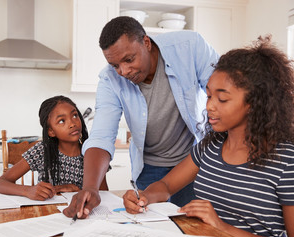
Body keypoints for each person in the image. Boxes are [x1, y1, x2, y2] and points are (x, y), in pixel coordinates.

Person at [123, 36, 294, 237]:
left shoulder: (286, 161)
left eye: (222, 99)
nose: (210, 106)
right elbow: (167, 185)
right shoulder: (210, 147)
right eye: (209, 95)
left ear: (255, 102)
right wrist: (144, 196)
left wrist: (221, 226)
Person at [63, 16, 219, 219]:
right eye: (115, 65)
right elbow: (101, 136)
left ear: (146, 42)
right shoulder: (110, 79)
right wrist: (91, 188)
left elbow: (223, 92)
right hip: (149, 168)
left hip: (192, 162)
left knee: (196, 226)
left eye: (129, 60)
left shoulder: (189, 47)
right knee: (152, 227)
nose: (124, 71)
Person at [0, 95, 108, 200]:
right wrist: (28, 190)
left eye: (75, 115)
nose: (73, 123)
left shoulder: (93, 152)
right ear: (51, 131)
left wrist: (78, 190)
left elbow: (104, 194)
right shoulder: (42, 151)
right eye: (62, 121)